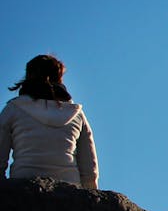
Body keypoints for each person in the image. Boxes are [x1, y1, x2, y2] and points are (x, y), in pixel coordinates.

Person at [0, 54, 100, 189]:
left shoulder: (14, 109)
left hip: (23, 187)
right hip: (69, 190)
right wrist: (90, 198)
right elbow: (89, 168)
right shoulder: (76, 114)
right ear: (59, 78)